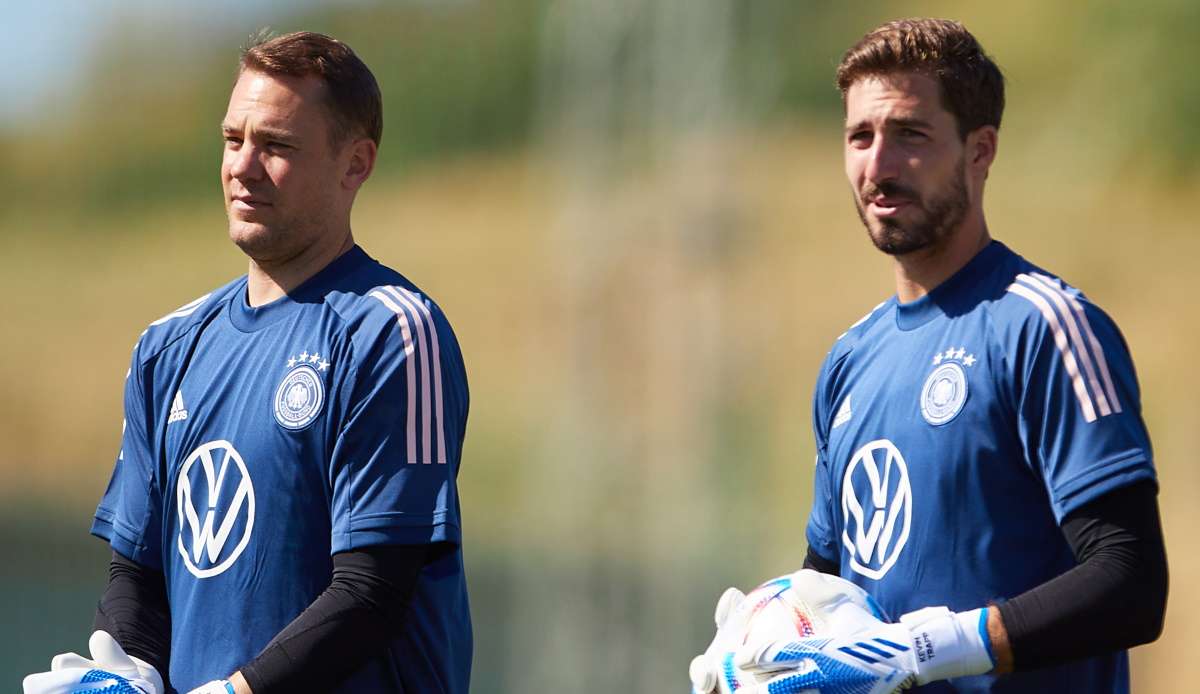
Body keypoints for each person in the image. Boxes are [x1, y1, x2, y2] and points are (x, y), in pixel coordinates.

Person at [691, 17, 1166, 694]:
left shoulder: (1044, 327)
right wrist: (763, 646)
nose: (878, 166)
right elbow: (828, 598)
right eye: (860, 137)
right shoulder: (849, 360)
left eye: (909, 135)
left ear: (981, 150)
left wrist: (928, 648)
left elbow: (1131, 579)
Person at [23, 31, 471, 694]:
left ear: (356, 163)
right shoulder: (166, 348)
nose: (244, 165)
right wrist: (130, 672)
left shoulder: (392, 332)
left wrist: (237, 691)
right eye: (234, 140)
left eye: (277, 146)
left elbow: (373, 591)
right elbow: (137, 574)